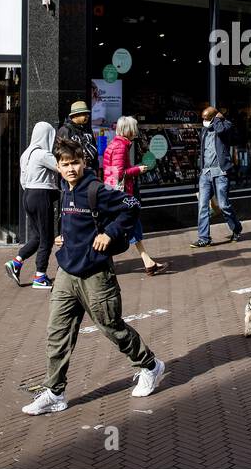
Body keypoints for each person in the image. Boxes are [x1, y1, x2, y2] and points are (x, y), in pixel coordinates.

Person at [21, 137, 164, 415]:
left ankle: (150, 366)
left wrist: (109, 233)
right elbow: (75, 221)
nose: (71, 169)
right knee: (56, 333)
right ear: (58, 167)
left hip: (96, 274)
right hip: (66, 272)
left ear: (83, 163)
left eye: (75, 163)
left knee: (112, 327)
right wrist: (65, 238)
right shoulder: (65, 190)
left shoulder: (95, 189)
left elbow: (132, 204)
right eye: (65, 164)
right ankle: (55, 392)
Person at [103, 116, 168, 276]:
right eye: (134, 128)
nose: (136, 131)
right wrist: (138, 170)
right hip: (121, 195)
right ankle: (103, 261)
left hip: (114, 193)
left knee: (131, 226)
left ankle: (148, 262)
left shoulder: (116, 144)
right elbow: (119, 173)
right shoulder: (120, 146)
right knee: (123, 227)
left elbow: (112, 172)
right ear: (129, 130)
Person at [5, 121, 60, 289]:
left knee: (37, 236)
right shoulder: (43, 154)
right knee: (46, 238)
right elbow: (62, 168)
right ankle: (40, 276)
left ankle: (16, 262)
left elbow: (22, 180)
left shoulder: (26, 153)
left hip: (27, 195)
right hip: (41, 196)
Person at [190, 105, 243, 248]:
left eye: (207, 118)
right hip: (206, 173)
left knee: (224, 205)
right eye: (203, 119)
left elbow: (221, 129)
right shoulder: (204, 130)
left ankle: (236, 229)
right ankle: (204, 238)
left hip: (220, 172)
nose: (204, 121)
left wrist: (219, 119)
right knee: (202, 206)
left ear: (214, 118)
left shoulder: (225, 126)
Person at [58, 101, 98, 170]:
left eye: (87, 114)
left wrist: (95, 167)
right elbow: (62, 154)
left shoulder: (87, 129)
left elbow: (94, 149)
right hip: (74, 171)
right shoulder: (65, 130)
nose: (87, 116)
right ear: (75, 115)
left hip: (90, 171)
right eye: (84, 114)